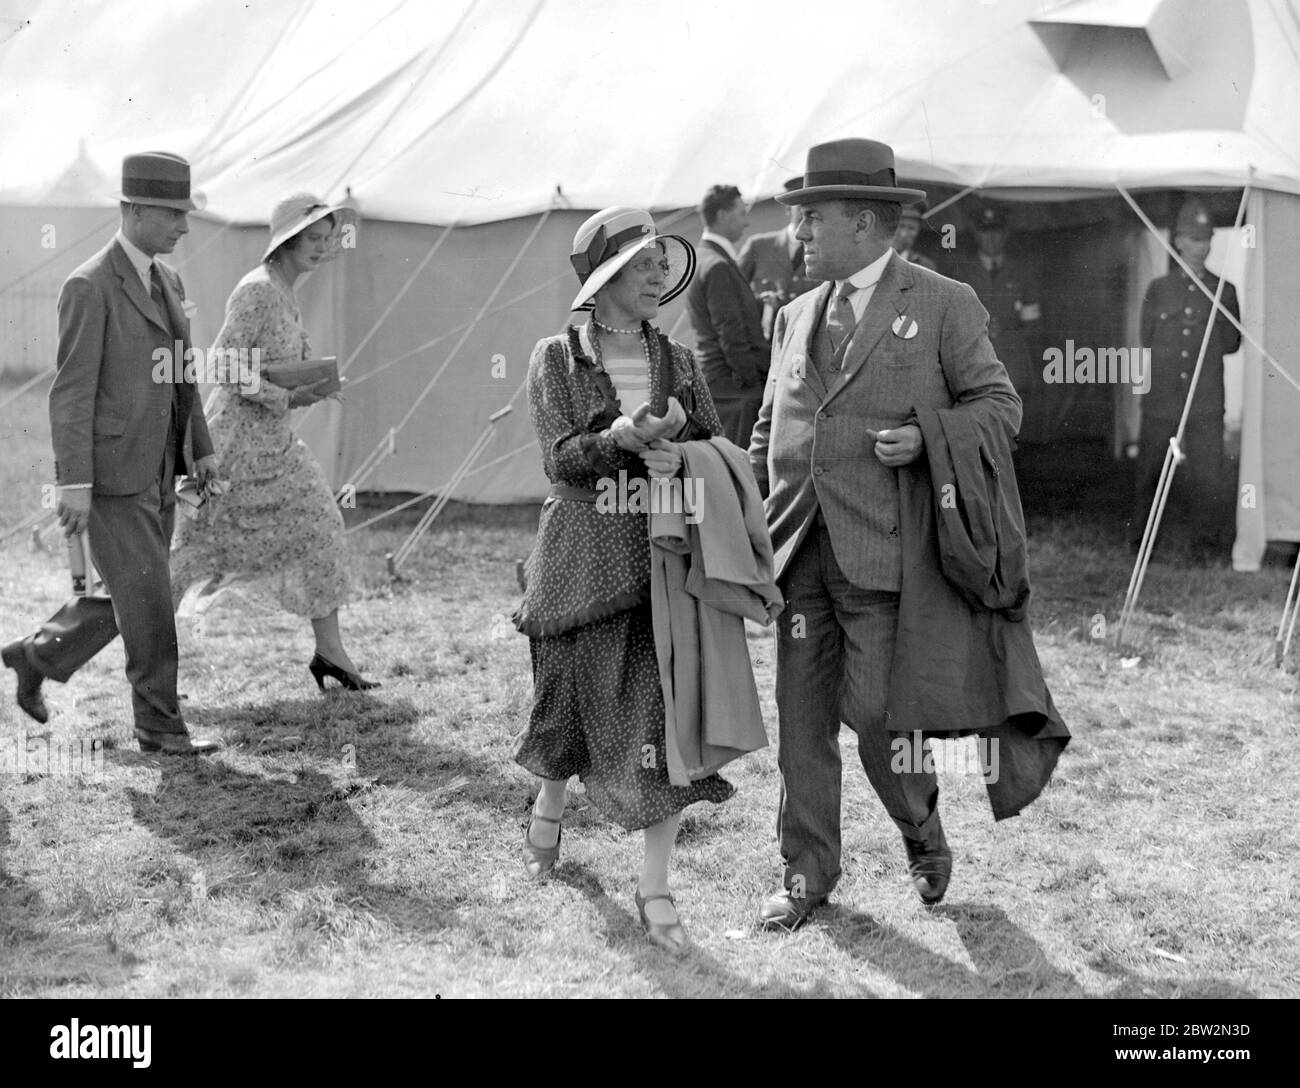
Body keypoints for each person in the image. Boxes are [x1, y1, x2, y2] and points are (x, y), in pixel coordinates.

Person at [749, 138, 1038, 929]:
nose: (797, 236)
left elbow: (1000, 408)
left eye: (812, 219)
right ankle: (805, 874)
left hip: (883, 557)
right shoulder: (794, 315)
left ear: (867, 222)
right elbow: (769, 429)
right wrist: (749, 529)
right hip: (799, 551)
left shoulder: (944, 303)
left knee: (877, 718)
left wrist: (926, 437)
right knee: (802, 720)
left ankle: (921, 828)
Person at [512, 207, 737, 955]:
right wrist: (620, 438)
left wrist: (684, 458)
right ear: (604, 277)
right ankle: (549, 808)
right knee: (568, 701)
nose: (658, 276)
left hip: (659, 561)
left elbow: (707, 437)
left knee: (656, 721)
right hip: (579, 558)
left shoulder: (677, 358)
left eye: (660, 264)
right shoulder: (556, 356)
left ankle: (656, 888)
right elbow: (560, 458)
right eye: (642, 264)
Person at [1, 152, 221, 754]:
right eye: (173, 212)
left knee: (135, 588)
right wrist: (73, 481)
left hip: (160, 468)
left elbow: (184, 376)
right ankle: (158, 725)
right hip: (111, 476)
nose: (183, 224)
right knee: (149, 597)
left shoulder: (169, 281)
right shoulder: (89, 285)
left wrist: (200, 448)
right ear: (133, 209)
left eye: (186, 212)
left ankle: (39, 654)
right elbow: (70, 393)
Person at [169, 193, 377, 692]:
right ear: (285, 239)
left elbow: (270, 370)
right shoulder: (257, 290)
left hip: (275, 446)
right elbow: (221, 363)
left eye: (328, 240)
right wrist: (280, 396)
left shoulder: (286, 290)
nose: (322, 248)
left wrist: (309, 389)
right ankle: (124, 651)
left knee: (322, 527)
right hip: (235, 446)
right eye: (313, 238)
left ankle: (330, 652)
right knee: (192, 554)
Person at [1131, 197, 1241, 560]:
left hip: (1205, 402)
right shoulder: (1159, 289)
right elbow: (1146, 338)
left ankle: (1205, 549)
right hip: (1162, 401)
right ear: (1178, 240)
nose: (1202, 246)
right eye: (1194, 238)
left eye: (1207, 238)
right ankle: (1142, 546)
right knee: (1149, 475)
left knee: (1207, 480)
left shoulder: (1224, 290)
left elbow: (1231, 345)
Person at [684, 184, 769, 449]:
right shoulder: (718, 265)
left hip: (720, 384)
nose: (747, 222)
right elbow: (730, 334)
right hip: (732, 390)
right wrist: (753, 385)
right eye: (742, 213)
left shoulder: (701, 258)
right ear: (722, 215)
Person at [947, 204, 1041, 412]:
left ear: (1006, 234)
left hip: (1011, 361)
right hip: (971, 359)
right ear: (975, 234)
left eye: (996, 232)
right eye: (984, 232)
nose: (991, 239)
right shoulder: (961, 271)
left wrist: (1010, 341)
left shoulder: (1021, 272)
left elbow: (1030, 324)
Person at [738, 176, 817, 338]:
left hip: (808, 339)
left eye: (812, 208)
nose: (805, 213)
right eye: (800, 206)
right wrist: (761, 302)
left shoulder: (825, 249)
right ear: (788, 209)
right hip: (766, 343)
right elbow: (735, 292)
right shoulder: (758, 246)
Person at [892, 200, 936, 270]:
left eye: (911, 228)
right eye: (901, 226)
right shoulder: (873, 258)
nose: (904, 234)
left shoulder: (924, 266)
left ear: (918, 231)